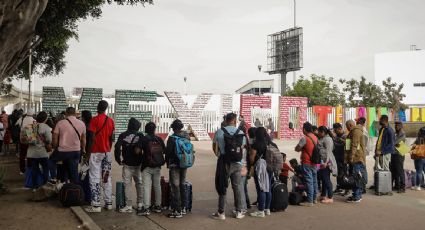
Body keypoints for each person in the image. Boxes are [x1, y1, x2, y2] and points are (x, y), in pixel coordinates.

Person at [212, 113, 245, 220]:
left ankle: (221, 213)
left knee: (223, 186)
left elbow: (214, 147)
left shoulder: (219, 131)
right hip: (237, 163)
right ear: (235, 121)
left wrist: (219, 155)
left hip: (224, 163)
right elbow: (243, 148)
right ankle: (239, 212)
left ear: (226, 120)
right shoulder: (241, 132)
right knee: (237, 187)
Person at [85, 101, 115, 213]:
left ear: (98, 107)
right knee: (106, 177)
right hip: (107, 152)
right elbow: (112, 138)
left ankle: (96, 205)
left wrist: (87, 154)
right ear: (106, 108)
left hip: (96, 152)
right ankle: (108, 203)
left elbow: (92, 138)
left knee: (94, 177)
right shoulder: (111, 121)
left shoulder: (94, 120)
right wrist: (108, 149)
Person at [114, 117, 143, 214]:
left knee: (127, 185)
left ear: (128, 125)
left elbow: (117, 147)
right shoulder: (140, 135)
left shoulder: (123, 135)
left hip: (127, 164)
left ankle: (128, 205)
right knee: (139, 183)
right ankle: (140, 203)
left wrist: (118, 159)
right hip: (138, 164)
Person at [50, 107, 86, 184]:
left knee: (51, 160)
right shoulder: (82, 123)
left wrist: (55, 147)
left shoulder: (60, 123)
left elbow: (54, 137)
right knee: (74, 172)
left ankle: (54, 178)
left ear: (66, 113)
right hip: (76, 151)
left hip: (62, 152)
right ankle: (75, 190)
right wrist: (83, 149)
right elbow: (83, 139)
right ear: (75, 114)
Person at [140, 122, 166, 215]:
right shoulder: (159, 139)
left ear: (146, 130)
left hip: (146, 166)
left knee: (146, 187)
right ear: (154, 129)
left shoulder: (144, 139)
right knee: (157, 186)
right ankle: (158, 206)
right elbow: (164, 151)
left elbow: (138, 150)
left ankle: (146, 208)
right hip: (157, 166)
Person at [165, 119, 190, 218]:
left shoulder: (172, 138)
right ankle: (183, 208)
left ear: (174, 128)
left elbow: (168, 153)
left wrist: (167, 163)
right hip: (184, 164)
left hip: (174, 165)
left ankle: (177, 210)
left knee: (175, 187)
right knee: (182, 184)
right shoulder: (187, 136)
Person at [249, 127, 275, 218]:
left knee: (261, 189)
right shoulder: (271, 143)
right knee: (268, 188)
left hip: (261, 168)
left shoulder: (256, 144)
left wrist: (251, 163)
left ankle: (260, 211)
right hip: (270, 168)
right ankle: (267, 209)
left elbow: (252, 158)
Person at [25, 111, 52, 189]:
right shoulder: (46, 127)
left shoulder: (30, 126)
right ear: (45, 119)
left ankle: (35, 187)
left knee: (34, 170)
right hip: (42, 153)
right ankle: (44, 185)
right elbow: (49, 140)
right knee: (46, 169)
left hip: (32, 153)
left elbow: (30, 141)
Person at [295, 122, 318, 207]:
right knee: (314, 180)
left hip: (307, 162)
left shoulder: (305, 138)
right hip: (314, 162)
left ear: (304, 129)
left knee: (309, 181)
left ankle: (309, 200)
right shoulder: (315, 137)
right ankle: (314, 198)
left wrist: (299, 148)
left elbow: (297, 148)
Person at [344, 120, 367, 203]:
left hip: (357, 158)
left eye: (347, 127)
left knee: (356, 177)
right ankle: (357, 195)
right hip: (357, 157)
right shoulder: (355, 130)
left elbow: (354, 144)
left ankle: (357, 196)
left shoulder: (356, 131)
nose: (347, 129)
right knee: (357, 176)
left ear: (350, 125)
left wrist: (351, 157)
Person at [317, 126, 337, 204]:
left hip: (327, 163)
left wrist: (326, 163)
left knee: (326, 179)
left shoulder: (328, 139)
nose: (318, 133)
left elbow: (328, 152)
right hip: (322, 162)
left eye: (319, 132)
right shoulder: (323, 139)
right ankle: (323, 195)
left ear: (323, 132)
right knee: (323, 178)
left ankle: (330, 197)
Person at [16, 109, 35, 174]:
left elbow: (16, 124)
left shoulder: (22, 118)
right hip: (30, 140)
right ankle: (29, 169)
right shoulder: (33, 120)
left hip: (22, 139)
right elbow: (34, 133)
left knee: (22, 154)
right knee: (30, 155)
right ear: (33, 114)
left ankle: (22, 170)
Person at [332, 123, 347, 195]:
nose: (334, 132)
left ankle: (344, 188)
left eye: (335, 130)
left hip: (342, 158)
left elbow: (344, 145)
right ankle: (339, 187)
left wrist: (335, 139)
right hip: (337, 157)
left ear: (339, 129)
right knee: (338, 173)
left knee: (343, 173)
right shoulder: (337, 136)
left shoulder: (345, 136)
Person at [391, 121, 406, 193]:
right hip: (394, 153)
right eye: (395, 125)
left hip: (399, 154)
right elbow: (393, 143)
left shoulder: (402, 134)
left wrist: (393, 143)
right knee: (394, 170)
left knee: (400, 171)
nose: (396, 127)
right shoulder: (395, 133)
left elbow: (395, 142)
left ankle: (403, 187)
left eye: (398, 125)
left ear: (401, 126)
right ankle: (397, 186)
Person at [412, 127, 425, 191]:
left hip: (419, 157)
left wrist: (414, 146)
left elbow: (414, 147)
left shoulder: (419, 139)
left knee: (419, 172)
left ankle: (418, 186)